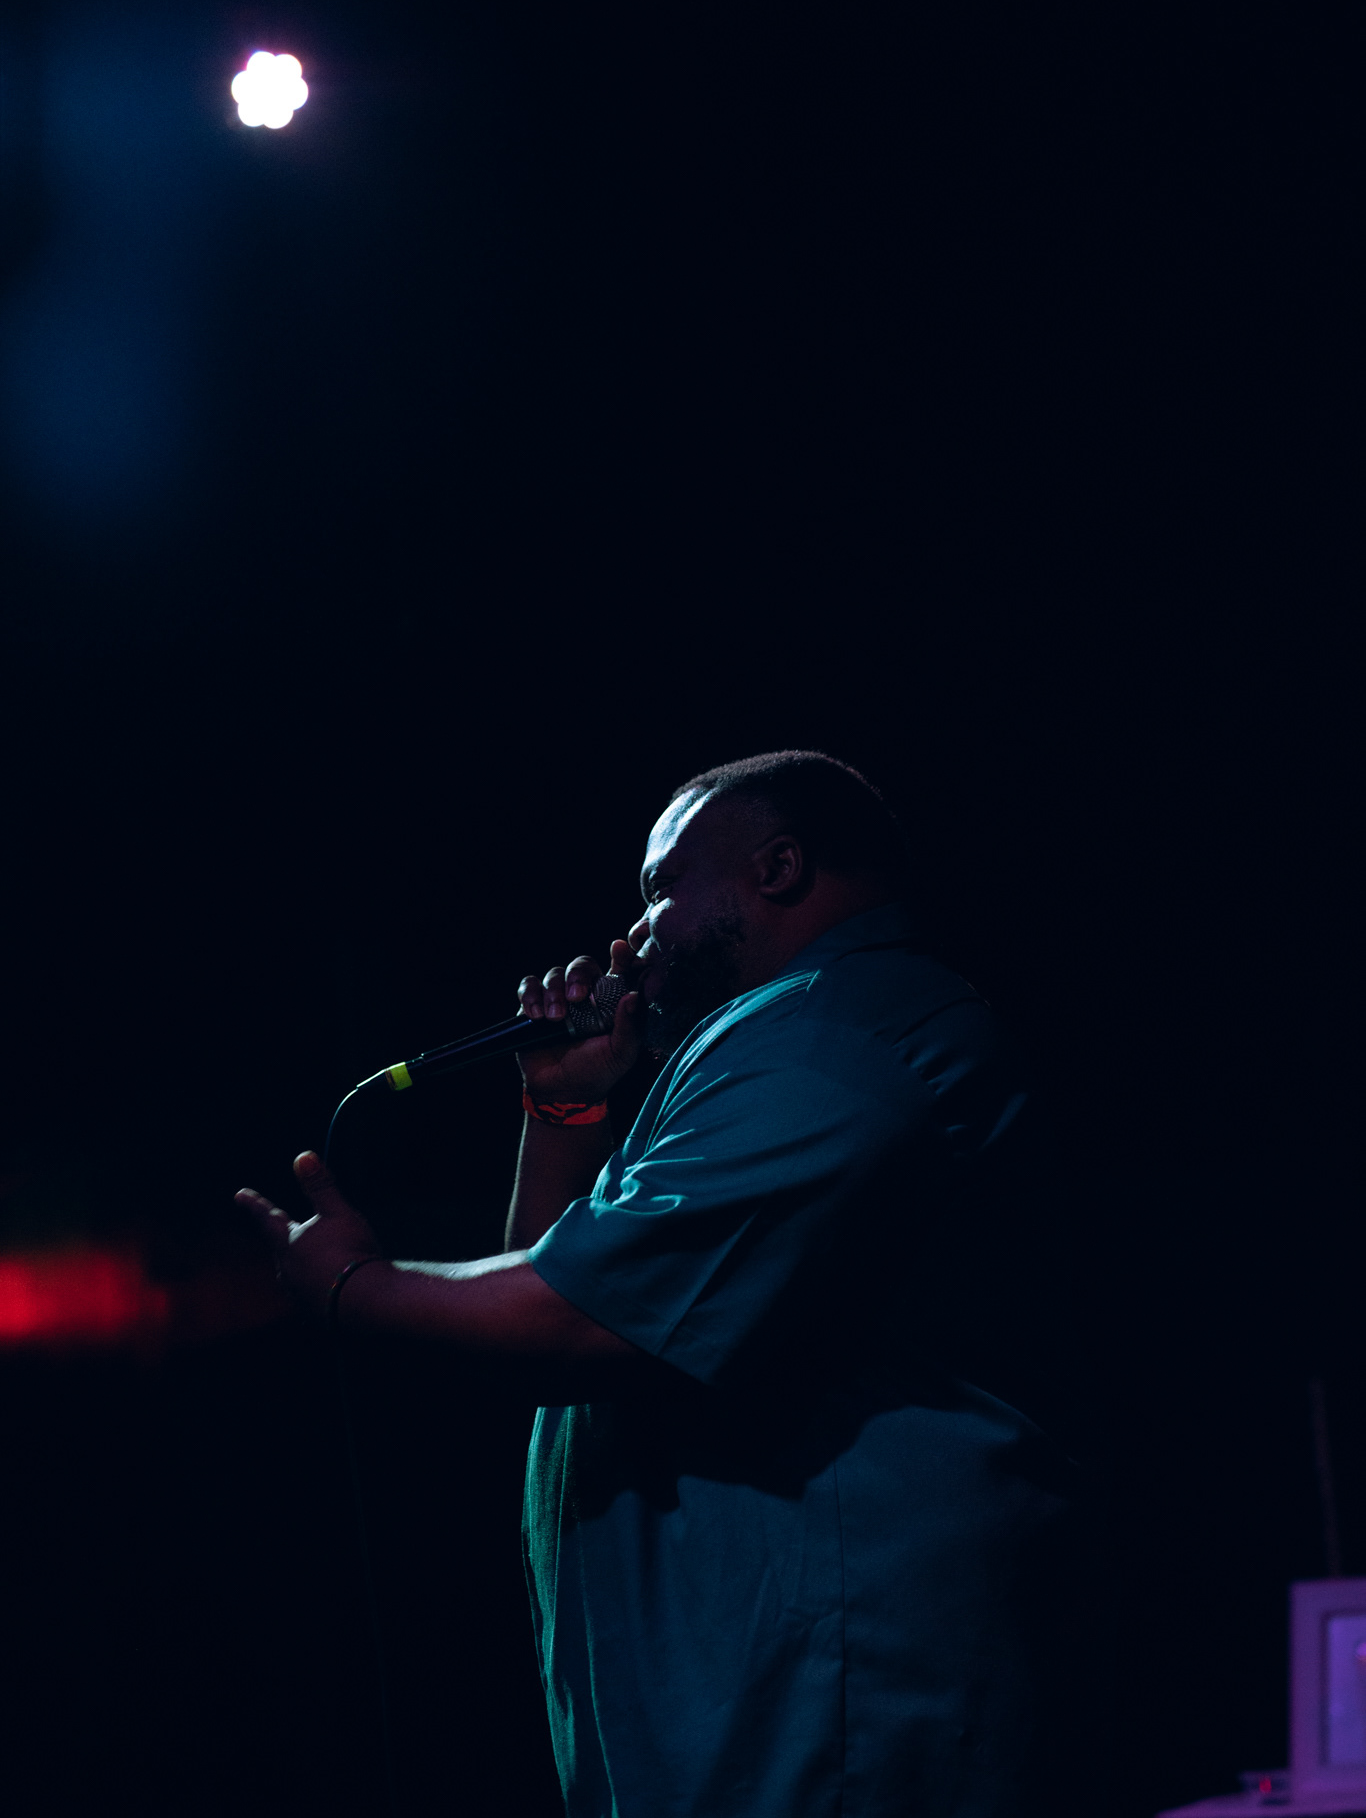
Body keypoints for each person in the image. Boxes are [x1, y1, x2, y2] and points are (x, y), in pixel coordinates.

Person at [238, 751, 1083, 1818]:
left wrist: (353, 1287)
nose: (632, 935)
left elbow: (567, 1318)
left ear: (776, 868)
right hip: (748, 1701)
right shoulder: (779, 1043)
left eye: (659, 889)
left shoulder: (833, 1042)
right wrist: (566, 1109)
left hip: (830, 1705)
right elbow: (566, 1299)